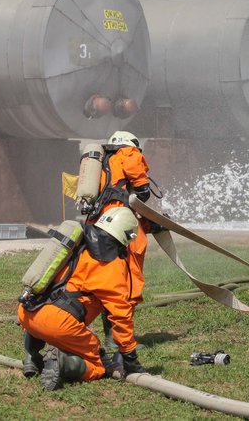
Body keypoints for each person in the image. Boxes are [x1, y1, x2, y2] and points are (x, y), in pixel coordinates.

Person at [18, 207, 146, 391]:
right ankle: (63, 363)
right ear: (127, 236)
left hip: (28, 311)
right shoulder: (111, 265)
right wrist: (129, 357)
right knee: (98, 366)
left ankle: (31, 357)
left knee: (49, 320)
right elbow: (121, 315)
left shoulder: (76, 243)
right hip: (59, 324)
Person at [82, 131, 158, 353]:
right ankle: (117, 339)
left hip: (95, 224)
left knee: (103, 279)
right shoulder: (129, 153)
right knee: (128, 280)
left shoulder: (101, 160)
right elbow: (142, 192)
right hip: (118, 223)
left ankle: (105, 336)